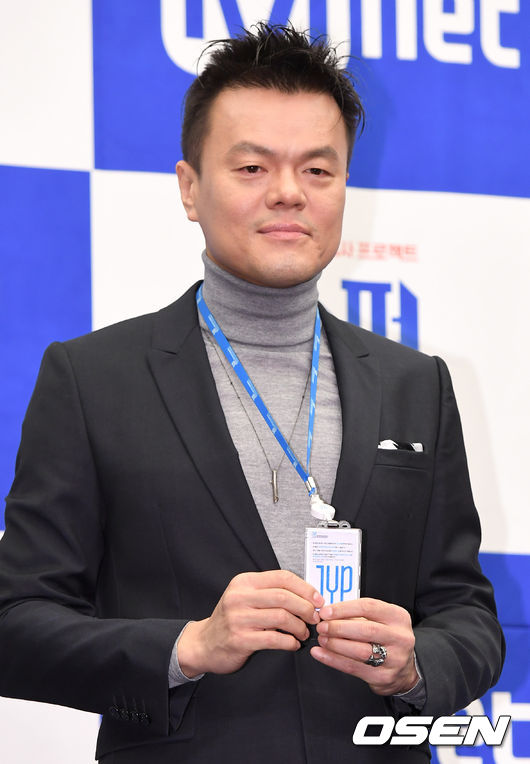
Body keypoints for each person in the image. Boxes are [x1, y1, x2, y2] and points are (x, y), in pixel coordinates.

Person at [0, 23, 504, 763]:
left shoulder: (414, 384)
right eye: (251, 167)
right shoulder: (92, 379)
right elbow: (15, 623)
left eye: (318, 169)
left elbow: (467, 612)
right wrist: (188, 646)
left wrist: (416, 663)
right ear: (190, 188)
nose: (289, 193)